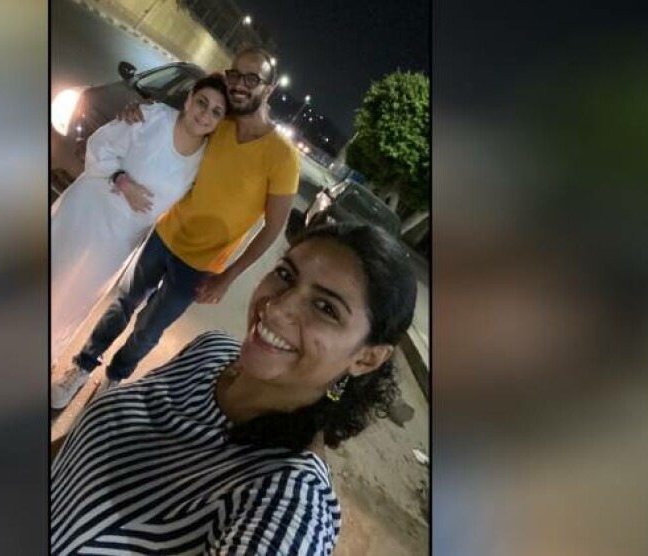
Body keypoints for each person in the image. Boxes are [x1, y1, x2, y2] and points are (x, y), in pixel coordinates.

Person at [49, 223, 417, 555]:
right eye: (285, 275)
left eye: (325, 307)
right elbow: (79, 449)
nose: (277, 309)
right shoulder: (211, 351)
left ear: (367, 358)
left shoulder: (290, 501)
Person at [52, 46, 300, 409]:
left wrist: (228, 277)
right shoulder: (221, 124)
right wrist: (136, 110)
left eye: (252, 79)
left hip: (202, 264)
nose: (240, 85)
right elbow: (179, 123)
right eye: (235, 74)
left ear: (270, 88)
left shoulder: (283, 157)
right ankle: (83, 365)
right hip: (163, 236)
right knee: (122, 305)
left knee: (149, 328)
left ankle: (114, 378)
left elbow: (272, 228)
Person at [49, 75, 228, 368]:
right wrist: (123, 182)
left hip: (120, 239)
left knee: (79, 295)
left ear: (220, 122)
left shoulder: (204, 161)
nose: (205, 114)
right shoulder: (151, 116)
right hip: (88, 211)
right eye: (202, 103)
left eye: (216, 112)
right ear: (188, 99)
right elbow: (100, 145)